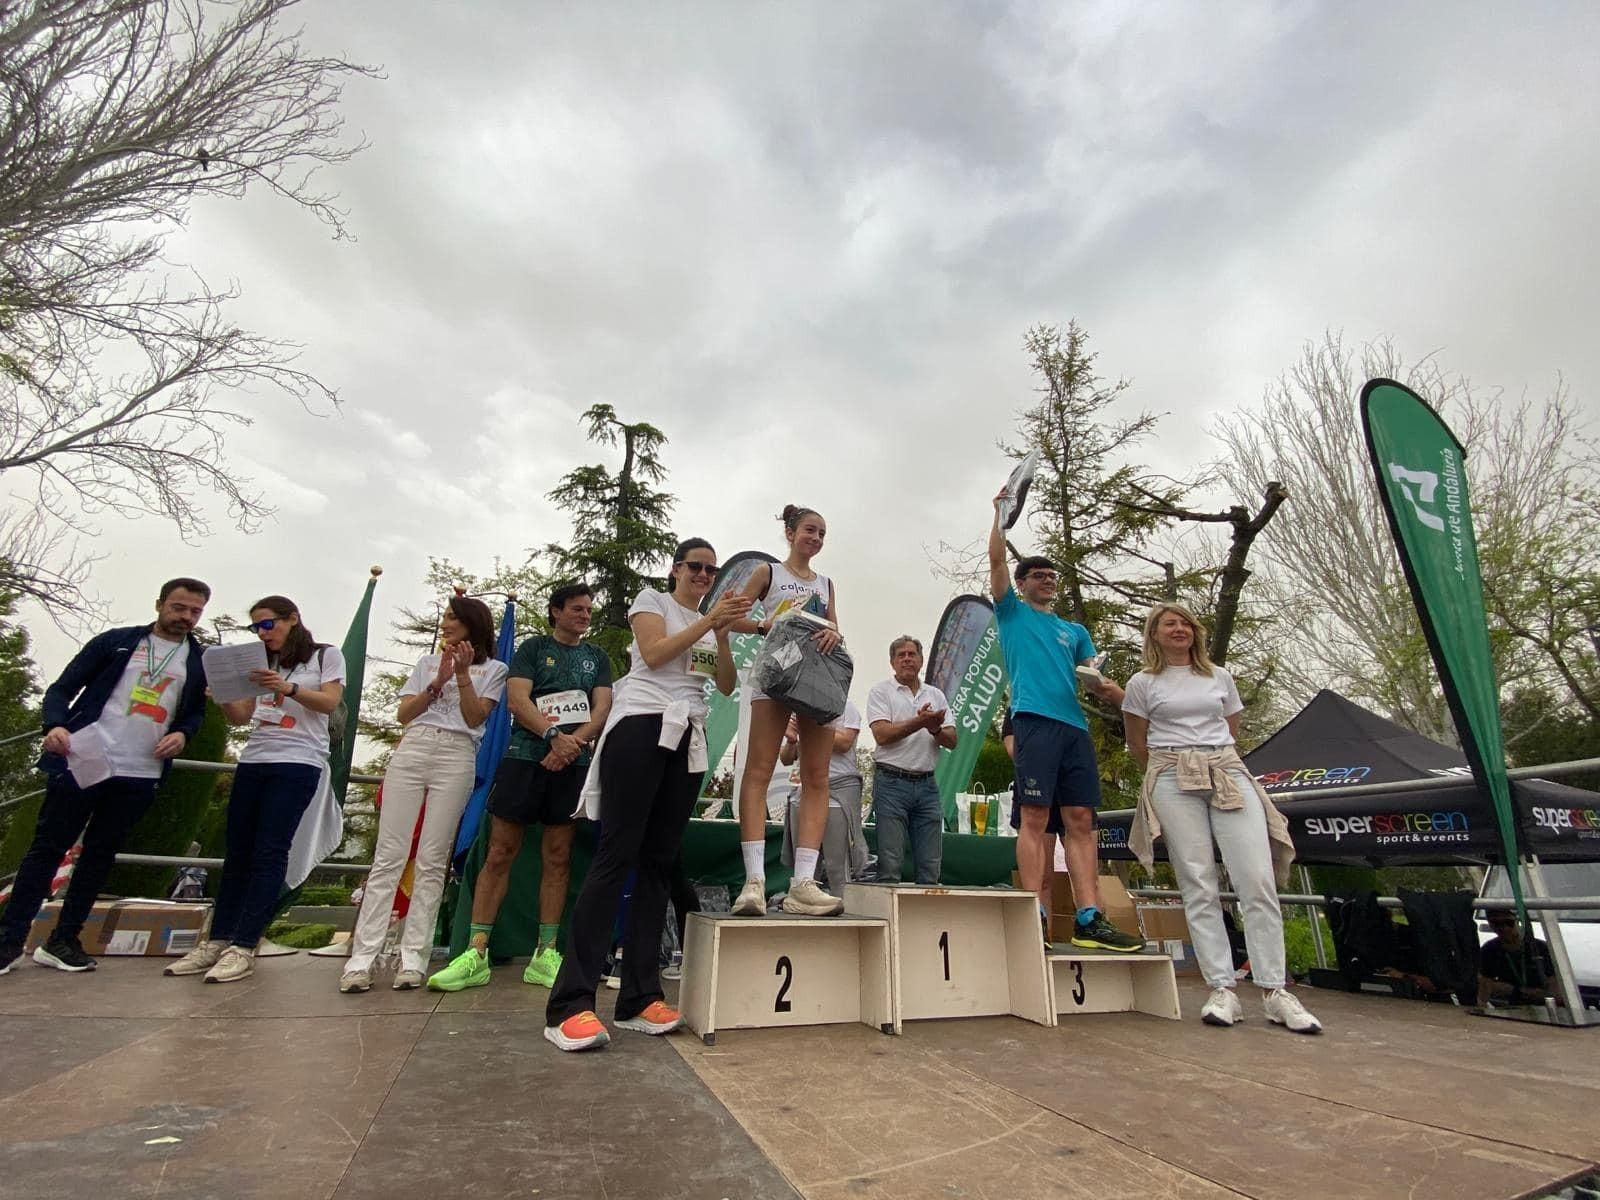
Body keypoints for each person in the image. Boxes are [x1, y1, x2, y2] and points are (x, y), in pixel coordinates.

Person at [544, 538, 747, 1051]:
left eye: (711, 570)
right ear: (677, 569)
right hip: (641, 724)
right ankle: (570, 1004)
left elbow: (724, 684)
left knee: (659, 861)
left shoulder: (707, 620)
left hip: (688, 737)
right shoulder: (649, 601)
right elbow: (655, 655)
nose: (704, 575)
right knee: (617, 855)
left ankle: (638, 996)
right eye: (696, 567)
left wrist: (720, 632)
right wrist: (708, 620)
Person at [1122, 602, 1321, 1033]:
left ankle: (1274, 989)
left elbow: (1232, 727)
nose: (1179, 629)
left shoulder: (1219, 676)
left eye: (1185, 623)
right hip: (1171, 773)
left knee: (1256, 875)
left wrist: (1211, 758)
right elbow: (1137, 742)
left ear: (1197, 632)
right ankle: (1221, 988)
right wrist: (1166, 772)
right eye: (1169, 624)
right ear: (1154, 635)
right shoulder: (1142, 683)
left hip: (1225, 769)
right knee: (1196, 878)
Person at [1, 579, 210, 976]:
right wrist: (55, 725)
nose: (184, 617)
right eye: (178, 607)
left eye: (194, 611)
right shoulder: (117, 642)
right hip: (87, 757)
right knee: (48, 848)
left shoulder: (197, 661)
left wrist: (184, 733)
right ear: (160, 603)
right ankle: (9, 940)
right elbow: (61, 689)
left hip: (140, 769)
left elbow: (194, 712)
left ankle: (64, 939)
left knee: (99, 855)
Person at [427, 583, 612, 992]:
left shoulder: (596, 657)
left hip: (573, 763)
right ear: (556, 611)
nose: (584, 615)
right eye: (576, 609)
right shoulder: (532, 648)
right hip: (524, 758)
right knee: (499, 852)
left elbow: (601, 707)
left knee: (559, 855)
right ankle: (475, 952)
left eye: (588, 609)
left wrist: (572, 744)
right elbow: (517, 700)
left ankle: (546, 953)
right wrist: (552, 737)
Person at [986, 491, 1143, 952]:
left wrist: (1105, 685)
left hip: (1074, 729)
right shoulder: (1010, 612)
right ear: (1021, 582)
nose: (1049, 582)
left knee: (1080, 819)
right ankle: (1031, 912)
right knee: (1035, 816)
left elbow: (1094, 675)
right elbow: (995, 557)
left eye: (1053, 576)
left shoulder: (1075, 631)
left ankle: (1088, 916)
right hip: (1033, 721)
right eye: (1039, 576)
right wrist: (999, 514)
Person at [166, 596, 346, 984]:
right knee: (238, 853)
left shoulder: (324, 656)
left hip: (298, 761)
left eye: (268, 625)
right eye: (256, 628)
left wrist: (288, 686)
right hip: (255, 758)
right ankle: (217, 939)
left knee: (270, 850)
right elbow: (243, 716)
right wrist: (223, 698)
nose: (264, 634)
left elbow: (330, 702)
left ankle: (245, 944)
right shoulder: (258, 661)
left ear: (292, 619)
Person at [340, 596, 508, 993]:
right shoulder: (426, 663)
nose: (446, 624)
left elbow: (474, 716)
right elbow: (404, 714)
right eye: (446, 617)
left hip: (457, 753)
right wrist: (438, 682)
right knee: (389, 856)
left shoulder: (495, 669)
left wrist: (464, 675)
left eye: (453, 618)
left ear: (472, 624)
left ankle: (413, 957)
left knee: (433, 859)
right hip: (414, 749)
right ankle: (362, 959)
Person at [731, 504, 847, 918]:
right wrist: (765, 626)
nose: (815, 539)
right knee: (758, 770)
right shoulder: (768, 573)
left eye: (821, 533)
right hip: (776, 672)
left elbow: (834, 627)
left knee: (816, 777)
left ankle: (802, 884)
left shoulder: (827, 583)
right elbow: (730, 618)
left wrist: (833, 633)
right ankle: (754, 883)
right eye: (809, 531)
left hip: (816, 680)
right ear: (791, 532)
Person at [867, 637, 956, 884]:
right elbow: (882, 735)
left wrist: (935, 729)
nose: (907, 658)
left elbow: (952, 740)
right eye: (901, 655)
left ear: (921, 660)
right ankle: (888, 922)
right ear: (892, 662)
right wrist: (921, 722)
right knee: (890, 863)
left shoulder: (936, 695)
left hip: (928, 785)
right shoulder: (880, 692)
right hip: (891, 783)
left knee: (930, 866)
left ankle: (928, 920)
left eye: (912, 654)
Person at [780, 702, 868, 894]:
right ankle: (803, 911)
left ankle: (844, 914)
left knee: (837, 867)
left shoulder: (847, 708)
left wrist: (807, 729)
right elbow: (786, 758)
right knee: (803, 868)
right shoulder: (799, 710)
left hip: (839, 790)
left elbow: (844, 743)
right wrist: (792, 740)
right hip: (802, 791)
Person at [1477, 911, 1555, 1007]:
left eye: (1509, 923)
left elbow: (1557, 994)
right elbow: (1483, 993)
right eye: (1496, 924)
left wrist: (1519, 992)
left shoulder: (1540, 948)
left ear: (1518, 921)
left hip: (1542, 1007)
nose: (1504, 928)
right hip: (1510, 1008)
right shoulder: (1489, 949)